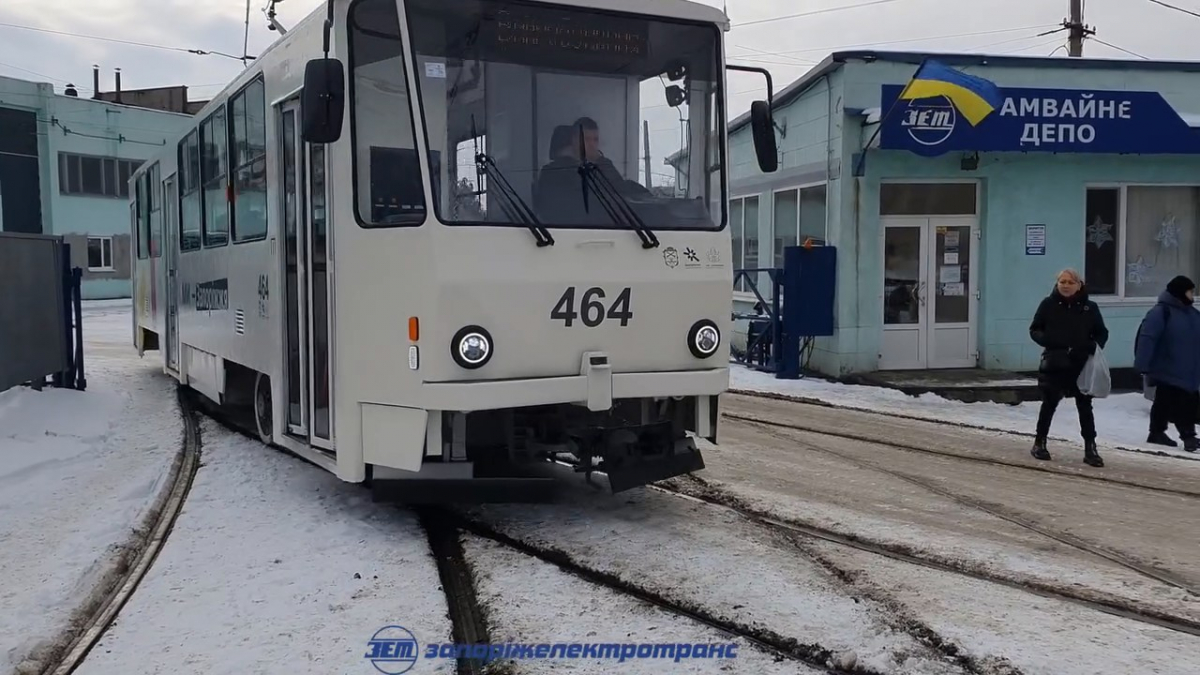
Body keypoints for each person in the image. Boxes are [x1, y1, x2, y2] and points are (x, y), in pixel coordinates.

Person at [1028, 268, 1109, 467]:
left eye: (1069, 282)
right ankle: (1040, 442)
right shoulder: (1048, 304)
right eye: (1061, 282)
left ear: (1079, 285)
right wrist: (1049, 341)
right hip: (1055, 363)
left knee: (1085, 406)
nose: (1065, 285)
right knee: (1049, 404)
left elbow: (1102, 333)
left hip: (1081, 364)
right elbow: (1035, 328)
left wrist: (1092, 346)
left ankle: (1090, 448)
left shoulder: (1090, 308)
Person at [1134, 275, 1200, 452]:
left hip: (1188, 370)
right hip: (1168, 368)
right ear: (1180, 292)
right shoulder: (1161, 312)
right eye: (1190, 291)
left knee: (1163, 401)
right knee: (1184, 403)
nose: (1192, 294)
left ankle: (1156, 432)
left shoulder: (1192, 314)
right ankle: (1189, 436)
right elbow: (1148, 338)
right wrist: (1142, 364)